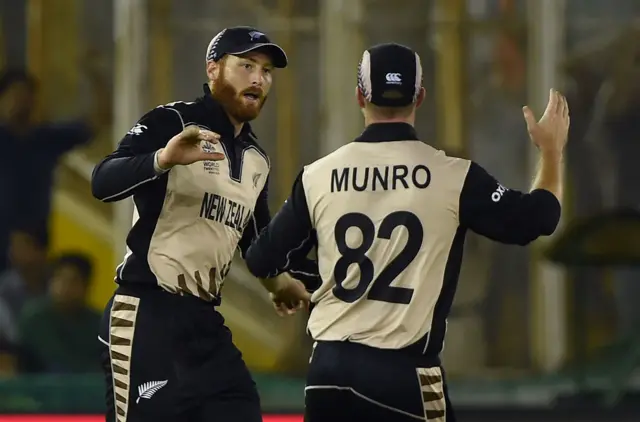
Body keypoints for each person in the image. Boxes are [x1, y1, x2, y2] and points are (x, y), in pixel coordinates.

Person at [244, 42, 570, 422]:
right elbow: (537, 219)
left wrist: (291, 283)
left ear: (359, 96)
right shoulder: (453, 175)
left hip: (328, 371)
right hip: (404, 372)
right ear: (421, 97)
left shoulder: (318, 175)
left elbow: (261, 258)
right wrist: (550, 151)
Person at [91, 26, 317, 422]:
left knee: (241, 407)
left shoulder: (256, 159)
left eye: (266, 71)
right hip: (147, 312)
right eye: (246, 65)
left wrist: (280, 283)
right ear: (213, 70)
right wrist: (162, 158)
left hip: (204, 324)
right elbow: (103, 181)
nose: (258, 78)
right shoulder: (173, 120)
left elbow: (256, 244)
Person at [18, 252, 101, 374]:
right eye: (59, 278)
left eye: (72, 281)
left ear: (86, 286)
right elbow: (57, 361)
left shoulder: (99, 323)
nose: (64, 287)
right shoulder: (36, 318)